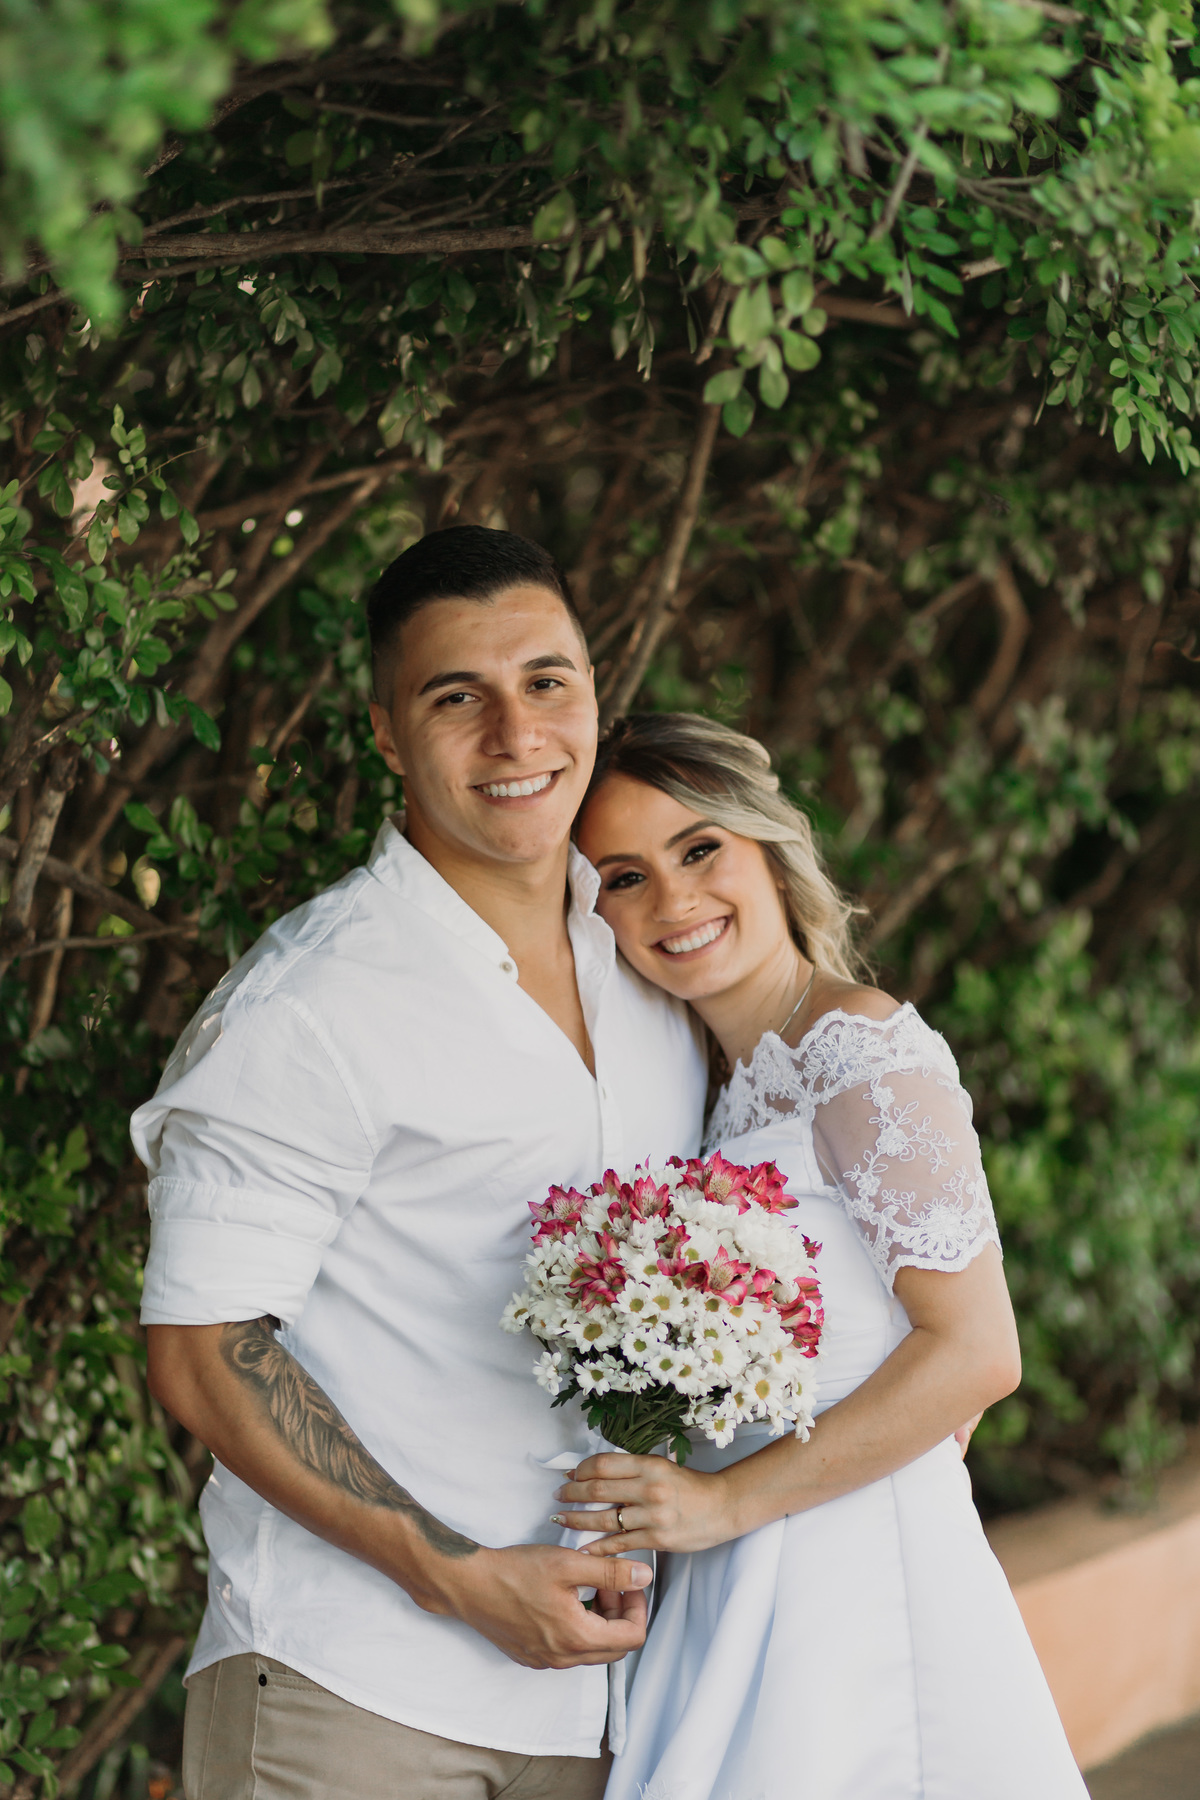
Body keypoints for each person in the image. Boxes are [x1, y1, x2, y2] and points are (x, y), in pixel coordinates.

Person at [131, 530, 707, 1800]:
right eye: (458, 698)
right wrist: (456, 1574)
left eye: (546, 682)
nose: (517, 734)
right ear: (388, 734)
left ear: (596, 694)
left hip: (608, 1705)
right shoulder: (311, 1003)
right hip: (353, 1693)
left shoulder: (656, 954)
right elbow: (203, 1348)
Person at [564, 711, 1089, 1800]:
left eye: (699, 848)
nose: (673, 900)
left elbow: (978, 1352)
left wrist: (725, 1506)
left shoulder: (861, 1051)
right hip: (729, 1584)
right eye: (624, 876)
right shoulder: (712, 1091)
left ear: (768, 846)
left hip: (850, 1585)